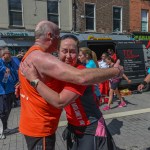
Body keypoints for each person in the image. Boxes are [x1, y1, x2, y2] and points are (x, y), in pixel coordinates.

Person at [18, 20, 123, 150]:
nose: (68, 56)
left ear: (78, 53)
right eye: (64, 51)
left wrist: (115, 71)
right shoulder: (57, 69)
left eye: (72, 52)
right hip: (73, 128)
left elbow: (62, 99)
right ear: (58, 51)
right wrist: (23, 84)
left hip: (90, 127)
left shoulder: (77, 73)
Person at [0, 47, 19, 138]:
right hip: (3, 92)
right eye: (9, 53)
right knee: (3, 111)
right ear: (4, 55)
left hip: (11, 90)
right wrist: (6, 72)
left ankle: (5, 128)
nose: (11, 55)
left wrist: (17, 81)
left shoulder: (10, 63)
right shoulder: (1, 64)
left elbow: (14, 74)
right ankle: (2, 131)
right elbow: (4, 80)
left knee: (8, 110)